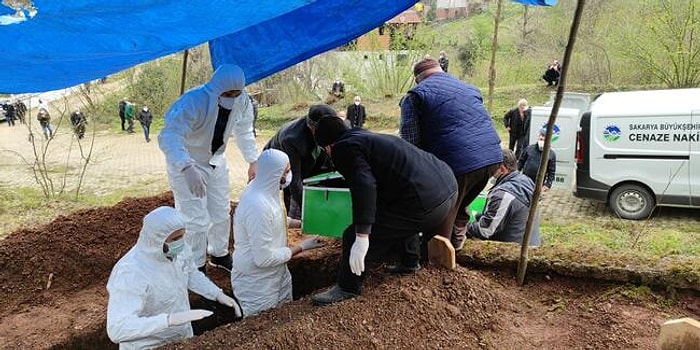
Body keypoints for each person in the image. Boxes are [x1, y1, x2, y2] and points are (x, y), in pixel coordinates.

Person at [311, 116, 458, 306]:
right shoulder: (363, 137)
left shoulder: (343, 148)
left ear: (327, 147)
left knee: (351, 235)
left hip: (426, 202)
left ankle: (347, 287)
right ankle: (410, 262)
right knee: (397, 213)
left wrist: (362, 233)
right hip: (447, 188)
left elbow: (364, 186)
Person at [159, 64, 258, 274]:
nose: (232, 97)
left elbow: (244, 130)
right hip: (189, 163)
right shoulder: (194, 101)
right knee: (194, 218)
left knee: (221, 211)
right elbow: (170, 135)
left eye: (236, 93)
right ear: (217, 88)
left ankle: (219, 254)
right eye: (228, 93)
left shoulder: (242, 101)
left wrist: (252, 160)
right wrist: (186, 167)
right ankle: (196, 265)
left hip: (216, 161)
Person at [399, 58, 502, 251]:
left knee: (439, 217)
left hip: (458, 165)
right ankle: (456, 249)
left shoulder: (415, 96)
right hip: (492, 159)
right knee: (459, 202)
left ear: (418, 79)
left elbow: (409, 145)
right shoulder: (469, 88)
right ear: (441, 71)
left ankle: (437, 267)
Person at [106, 206, 242, 350]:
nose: (181, 242)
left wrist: (217, 294)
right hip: (148, 345)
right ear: (157, 240)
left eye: (182, 236)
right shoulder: (131, 272)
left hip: (181, 338)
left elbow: (191, 274)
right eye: (175, 239)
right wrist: (168, 320)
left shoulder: (179, 251)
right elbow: (118, 329)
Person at [232, 149, 324, 316]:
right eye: (286, 171)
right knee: (262, 329)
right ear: (275, 174)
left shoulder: (268, 188)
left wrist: (304, 224)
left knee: (283, 319)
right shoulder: (257, 206)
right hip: (258, 284)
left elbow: (276, 219)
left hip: (278, 273)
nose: (289, 175)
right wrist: (301, 247)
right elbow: (263, 258)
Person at [263, 104, 335, 223]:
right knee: (288, 198)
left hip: (307, 162)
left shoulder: (325, 132)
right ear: (313, 128)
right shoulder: (292, 139)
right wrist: (309, 211)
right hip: (276, 166)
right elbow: (295, 182)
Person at [466, 149, 541, 246]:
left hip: (513, 252)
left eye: (491, 167)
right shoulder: (527, 181)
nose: (489, 170)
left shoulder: (503, 195)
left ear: (501, 169)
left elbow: (485, 231)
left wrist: (463, 226)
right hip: (531, 244)